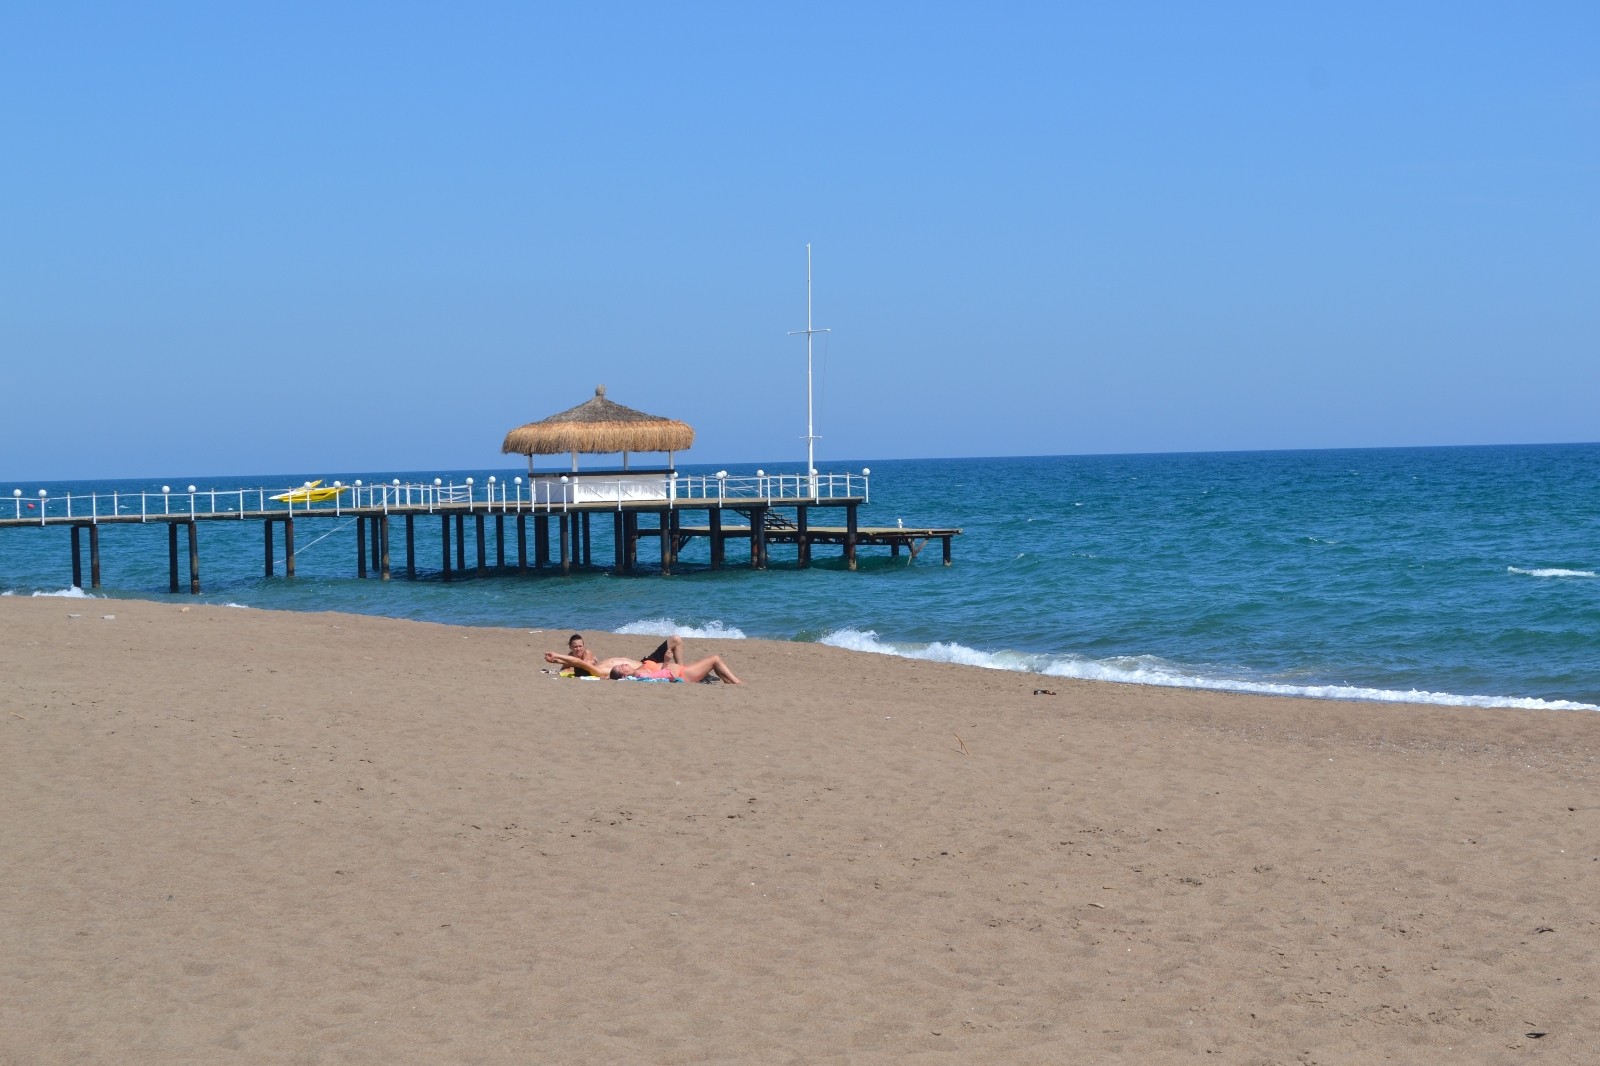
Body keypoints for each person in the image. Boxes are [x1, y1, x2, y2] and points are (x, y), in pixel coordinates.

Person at [566, 632, 683, 668]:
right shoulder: (572, 656)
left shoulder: (587, 654)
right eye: (575, 647)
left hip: (644, 662)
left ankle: (681, 668)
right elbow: (565, 669)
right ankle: (682, 671)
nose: (578, 649)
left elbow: (584, 663)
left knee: (675, 639)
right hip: (644, 667)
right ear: (570, 647)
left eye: (580, 646)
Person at [609, 655, 742, 685]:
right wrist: (666, 660)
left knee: (714, 663)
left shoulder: (638, 668)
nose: (623, 664)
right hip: (683, 674)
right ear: (623, 675)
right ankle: (737, 683)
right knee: (715, 659)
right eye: (621, 667)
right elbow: (659, 675)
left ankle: (731, 683)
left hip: (684, 670)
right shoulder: (637, 673)